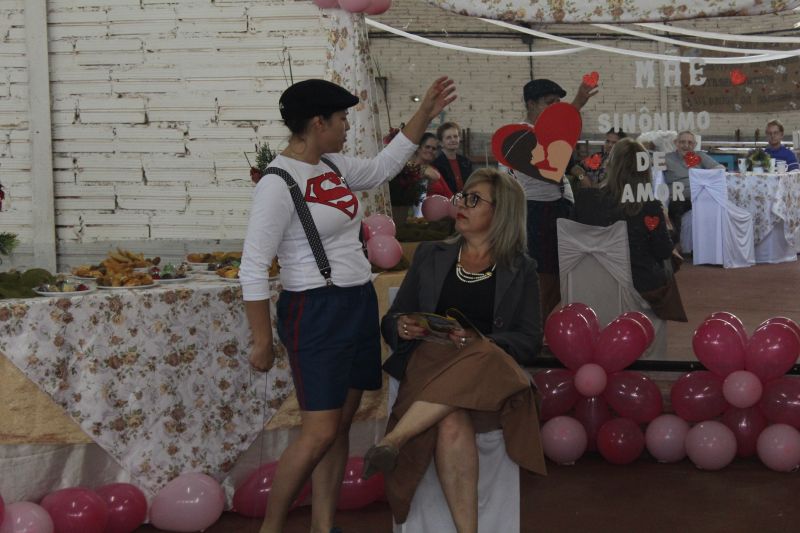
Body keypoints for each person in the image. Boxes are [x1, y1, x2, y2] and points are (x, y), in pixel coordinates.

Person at [241, 76, 456, 533]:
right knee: (319, 431)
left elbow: (381, 168)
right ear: (318, 123)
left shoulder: (332, 165)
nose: (346, 127)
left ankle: (323, 525)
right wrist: (261, 339)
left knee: (339, 425)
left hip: (356, 301)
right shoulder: (277, 182)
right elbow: (253, 267)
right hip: (315, 309)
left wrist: (424, 113)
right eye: (341, 119)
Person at [364, 168, 546, 530]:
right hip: (429, 365)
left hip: (486, 379)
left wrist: (480, 342)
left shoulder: (521, 268)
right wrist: (401, 325)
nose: (461, 204)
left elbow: (529, 340)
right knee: (450, 422)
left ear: (502, 211)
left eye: (474, 199)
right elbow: (393, 319)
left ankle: (396, 439)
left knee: (481, 352)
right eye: (462, 196)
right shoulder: (431, 254)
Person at [573, 138, 687, 321]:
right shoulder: (649, 206)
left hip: (592, 280)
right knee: (670, 261)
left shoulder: (585, 199)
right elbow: (663, 251)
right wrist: (669, 227)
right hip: (639, 285)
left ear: (610, 165)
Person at [513, 78, 597, 323]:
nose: (555, 108)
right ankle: (532, 326)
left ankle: (536, 324)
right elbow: (549, 159)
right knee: (545, 275)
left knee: (562, 274)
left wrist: (580, 176)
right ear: (531, 104)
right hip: (536, 210)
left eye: (558, 103)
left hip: (560, 207)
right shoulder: (520, 134)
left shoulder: (553, 132)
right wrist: (577, 103)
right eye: (550, 103)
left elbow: (567, 162)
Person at [663, 130, 723, 243]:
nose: (686, 145)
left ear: (694, 145)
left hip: (700, 195)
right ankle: (676, 245)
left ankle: (712, 243)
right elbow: (650, 168)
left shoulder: (700, 155)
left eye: (690, 143)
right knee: (676, 206)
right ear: (676, 143)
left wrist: (705, 176)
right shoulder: (666, 158)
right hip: (679, 196)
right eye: (682, 142)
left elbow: (720, 168)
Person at [389, 132, 453, 213]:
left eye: (434, 149)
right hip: (415, 214)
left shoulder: (435, 169)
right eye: (427, 147)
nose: (430, 150)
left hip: (443, 213)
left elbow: (448, 194)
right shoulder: (407, 169)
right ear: (418, 148)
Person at [432, 121, 473, 195]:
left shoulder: (466, 162)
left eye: (455, 136)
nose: (453, 140)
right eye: (448, 137)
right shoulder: (436, 164)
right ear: (441, 143)